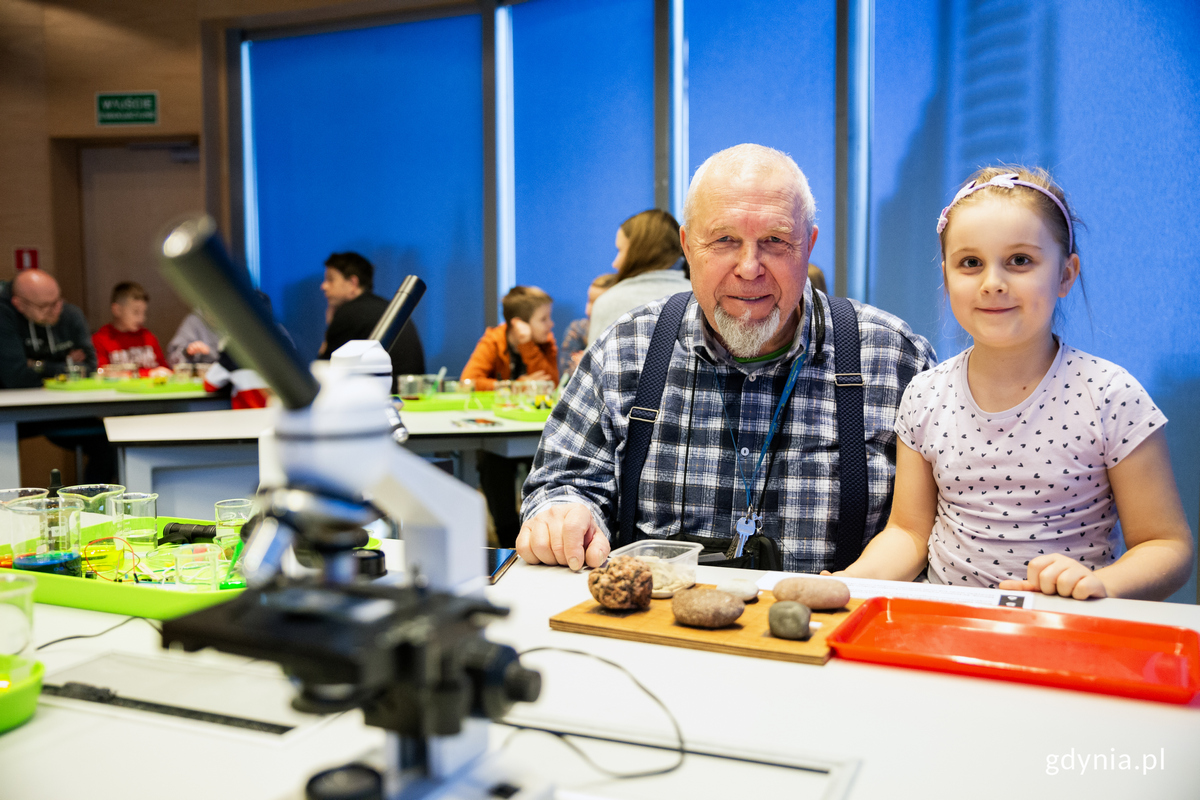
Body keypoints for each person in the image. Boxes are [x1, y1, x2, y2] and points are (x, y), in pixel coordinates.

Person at [518, 144, 936, 572]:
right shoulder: (626, 350)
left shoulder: (893, 359)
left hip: (832, 629)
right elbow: (562, 483)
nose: (749, 267)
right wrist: (566, 516)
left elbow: (938, 530)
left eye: (775, 240)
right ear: (687, 245)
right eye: (724, 240)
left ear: (808, 245)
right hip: (654, 631)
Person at [833, 167, 1193, 600]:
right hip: (949, 633)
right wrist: (849, 583)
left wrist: (1101, 584)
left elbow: (1167, 546)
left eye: (1020, 261)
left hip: (1067, 633)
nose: (993, 283)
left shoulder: (1111, 397)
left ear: (1065, 274)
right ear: (946, 279)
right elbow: (908, 535)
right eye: (970, 263)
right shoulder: (924, 396)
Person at [587, 209, 692, 347]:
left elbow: (593, 367)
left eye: (620, 250)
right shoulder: (701, 297)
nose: (615, 263)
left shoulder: (609, 302)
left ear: (639, 252)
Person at [319, 252, 425, 376]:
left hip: (384, 392)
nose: (324, 286)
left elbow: (324, 372)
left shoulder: (348, 313)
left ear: (353, 283)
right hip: (410, 390)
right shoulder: (388, 307)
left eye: (330, 279)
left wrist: (330, 327)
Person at [0, 269, 96, 388]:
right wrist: (66, 365)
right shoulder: (4, 317)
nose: (57, 310)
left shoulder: (71, 314)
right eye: (45, 306)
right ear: (19, 304)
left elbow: (90, 368)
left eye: (57, 301)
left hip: (65, 397)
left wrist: (38, 365)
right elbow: (16, 378)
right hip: (15, 402)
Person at [461, 286, 558, 390]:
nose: (551, 324)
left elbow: (551, 385)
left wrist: (527, 344)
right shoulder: (494, 341)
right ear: (518, 323)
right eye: (543, 319)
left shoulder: (546, 342)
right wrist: (516, 386)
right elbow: (467, 382)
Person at [91, 282, 171, 376]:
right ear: (117, 310)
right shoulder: (101, 339)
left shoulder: (148, 337)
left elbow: (164, 370)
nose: (142, 318)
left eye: (144, 312)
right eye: (136, 312)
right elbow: (103, 374)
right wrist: (148, 374)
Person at [559, 273, 618, 381]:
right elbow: (567, 376)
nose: (588, 310)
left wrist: (586, 363)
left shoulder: (622, 332)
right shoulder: (578, 329)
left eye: (597, 303)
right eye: (589, 300)